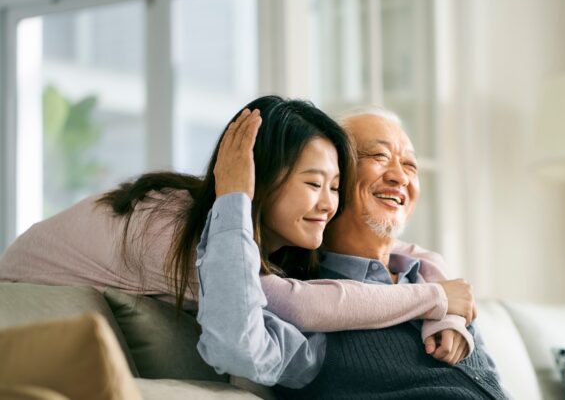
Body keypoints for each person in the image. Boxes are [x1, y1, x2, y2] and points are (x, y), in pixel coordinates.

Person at [0, 96, 475, 360]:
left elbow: (407, 252)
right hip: (25, 314)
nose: (328, 205)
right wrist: (434, 298)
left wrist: (446, 301)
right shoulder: (176, 226)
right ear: (261, 180)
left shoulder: (287, 234)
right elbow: (296, 305)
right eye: (315, 183)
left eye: (335, 186)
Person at [197, 107, 507, 399]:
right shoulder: (299, 309)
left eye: (410, 164)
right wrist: (234, 198)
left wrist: (441, 297)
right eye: (379, 156)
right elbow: (239, 347)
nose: (400, 176)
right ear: (337, 177)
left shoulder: (439, 285)